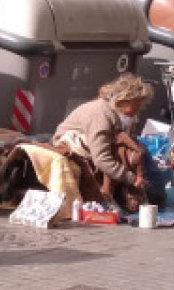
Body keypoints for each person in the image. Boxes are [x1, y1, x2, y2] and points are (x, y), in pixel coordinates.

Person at [52, 73, 154, 213]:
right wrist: (132, 179)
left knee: (133, 147)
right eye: (135, 105)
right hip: (70, 142)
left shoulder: (117, 113)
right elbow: (102, 159)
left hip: (92, 142)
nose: (137, 111)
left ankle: (124, 195)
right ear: (123, 100)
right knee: (120, 151)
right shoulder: (101, 116)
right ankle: (106, 195)